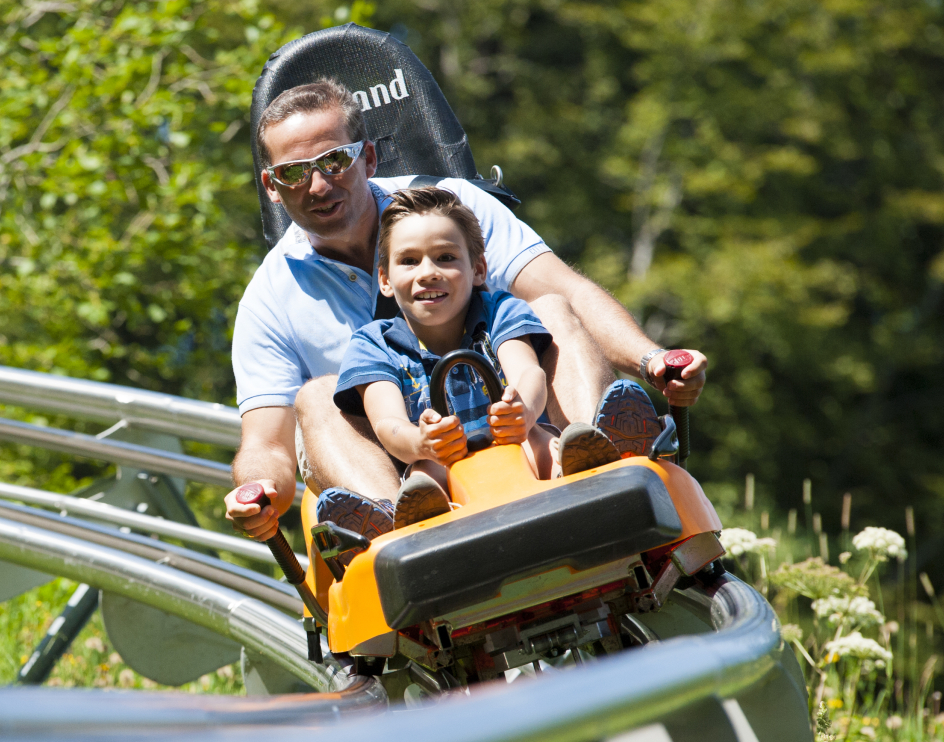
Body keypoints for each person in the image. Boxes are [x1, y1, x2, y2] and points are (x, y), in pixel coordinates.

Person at [224, 79, 705, 543]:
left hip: (521, 429)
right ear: (271, 185)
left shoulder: (456, 210)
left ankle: (593, 460)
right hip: (405, 466)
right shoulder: (269, 298)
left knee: (552, 308)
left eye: (334, 160)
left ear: (367, 158)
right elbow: (266, 443)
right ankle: (399, 531)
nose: (318, 184)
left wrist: (653, 361)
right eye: (294, 171)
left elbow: (570, 295)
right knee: (316, 397)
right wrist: (259, 492)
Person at [330, 185, 551, 529]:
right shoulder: (373, 344)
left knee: (540, 438)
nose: (428, 272)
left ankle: (582, 466)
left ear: (478, 269)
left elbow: (529, 373)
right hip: (445, 465)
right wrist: (421, 442)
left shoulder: (499, 312)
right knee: (423, 472)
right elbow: (389, 423)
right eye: (409, 261)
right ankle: (411, 520)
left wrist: (523, 409)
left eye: (446, 258)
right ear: (385, 280)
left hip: (515, 445)